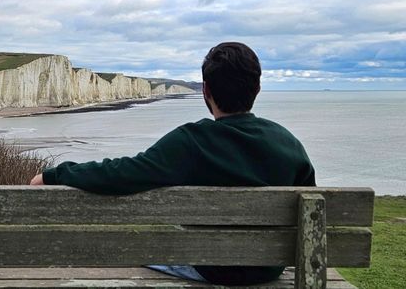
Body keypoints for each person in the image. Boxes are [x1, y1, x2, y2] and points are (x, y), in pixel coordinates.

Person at [30, 42, 316, 286]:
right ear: (257, 88)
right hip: (268, 268)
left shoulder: (191, 140)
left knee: (139, 251)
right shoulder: (287, 143)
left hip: (208, 266)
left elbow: (123, 173)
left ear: (206, 91)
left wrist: (55, 175)